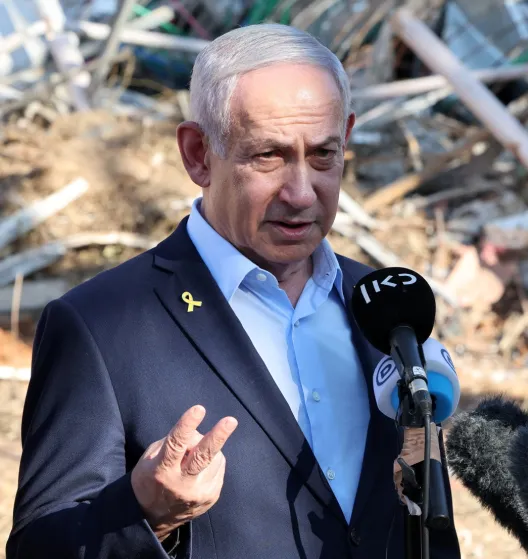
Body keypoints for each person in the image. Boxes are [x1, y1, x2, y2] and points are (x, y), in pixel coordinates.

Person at [6, 23, 461, 559]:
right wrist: (146, 514)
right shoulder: (100, 326)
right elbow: (40, 545)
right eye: (267, 156)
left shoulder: (386, 308)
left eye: (322, 156)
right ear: (198, 153)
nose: (300, 192)